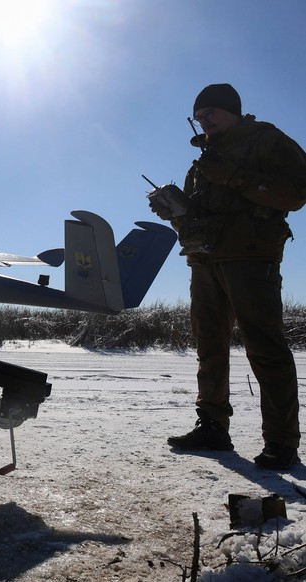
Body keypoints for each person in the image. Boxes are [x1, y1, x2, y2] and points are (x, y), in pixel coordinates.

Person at [149, 83, 306, 470]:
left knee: (265, 349)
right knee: (210, 349)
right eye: (199, 116)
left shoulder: (266, 141)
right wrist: (176, 212)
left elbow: (297, 193)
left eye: (211, 113)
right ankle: (213, 427)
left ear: (233, 111)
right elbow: (197, 219)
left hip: (251, 259)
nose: (204, 121)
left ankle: (282, 443)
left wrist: (233, 176)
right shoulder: (202, 162)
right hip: (205, 262)